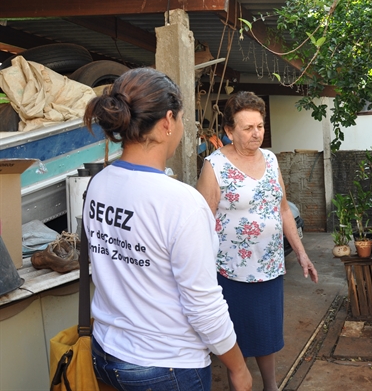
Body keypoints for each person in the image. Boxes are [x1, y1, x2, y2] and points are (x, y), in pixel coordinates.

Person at [82, 68, 251, 391]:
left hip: (105, 355)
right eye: (183, 119)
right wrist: (238, 366)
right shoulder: (181, 203)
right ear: (167, 122)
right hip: (165, 365)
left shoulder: (98, 184)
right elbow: (203, 305)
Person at [196, 91, 319, 391]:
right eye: (248, 128)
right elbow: (199, 222)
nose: (256, 133)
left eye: (260, 126)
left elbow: (283, 208)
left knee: (267, 334)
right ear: (229, 131)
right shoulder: (214, 166)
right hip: (230, 271)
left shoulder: (271, 158)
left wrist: (301, 253)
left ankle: (271, 386)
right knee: (233, 339)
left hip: (270, 266)